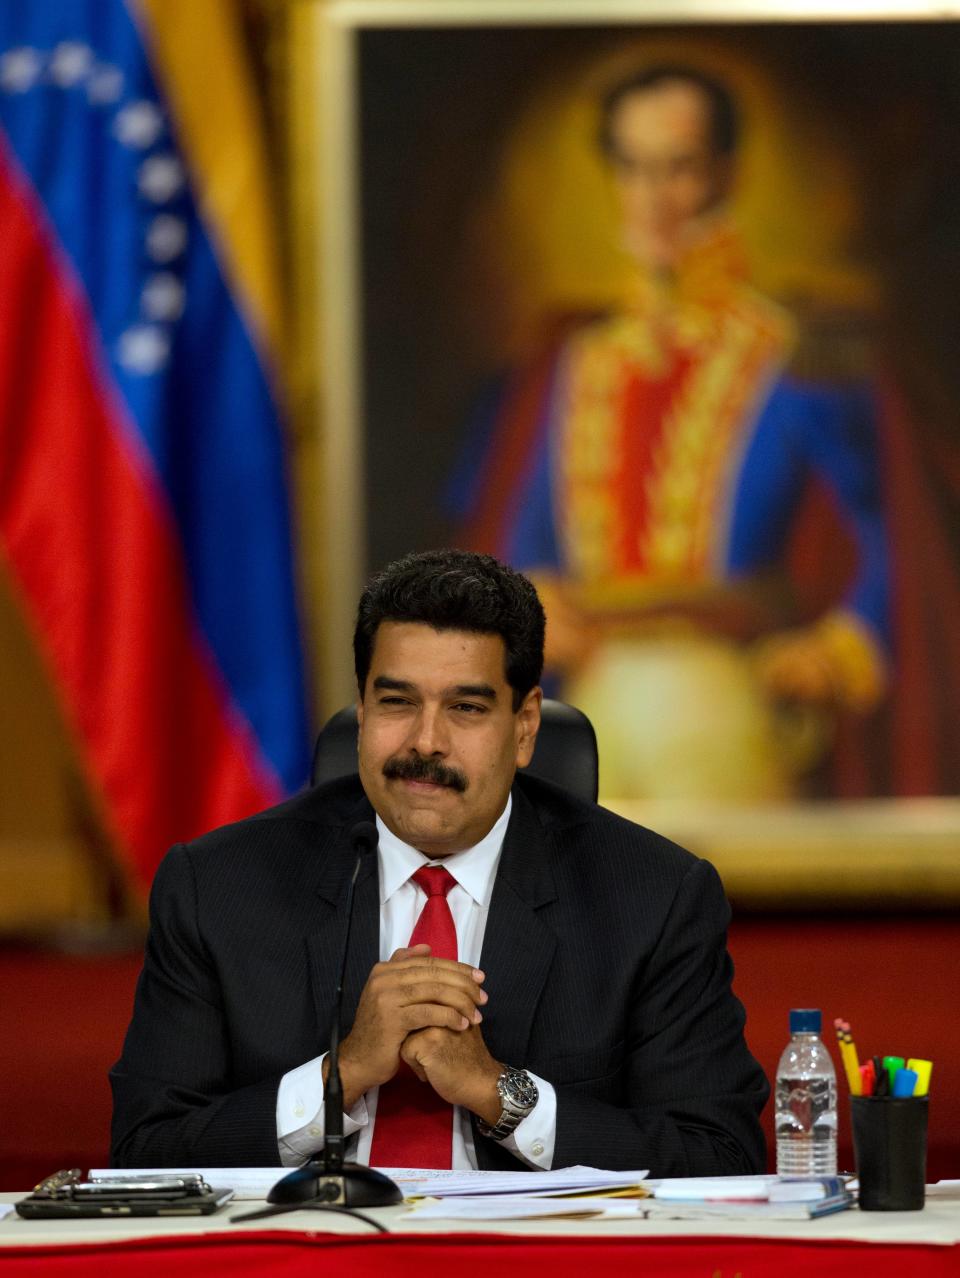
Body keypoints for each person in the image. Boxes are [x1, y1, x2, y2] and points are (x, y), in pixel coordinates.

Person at [110, 548, 768, 1173]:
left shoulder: (650, 898)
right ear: (362, 711)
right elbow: (145, 1152)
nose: (426, 742)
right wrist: (342, 1076)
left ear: (526, 726)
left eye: (467, 708)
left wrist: (500, 1094)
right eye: (397, 703)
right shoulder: (220, 887)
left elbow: (720, 1155)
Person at [458, 66, 890, 800]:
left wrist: (833, 649)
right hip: (582, 712)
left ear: (725, 175)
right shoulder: (571, 362)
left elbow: (887, 543)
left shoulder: (793, 358)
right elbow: (517, 544)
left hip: (726, 710)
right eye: (634, 168)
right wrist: (530, 609)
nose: (655, 199)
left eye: (679, 168)